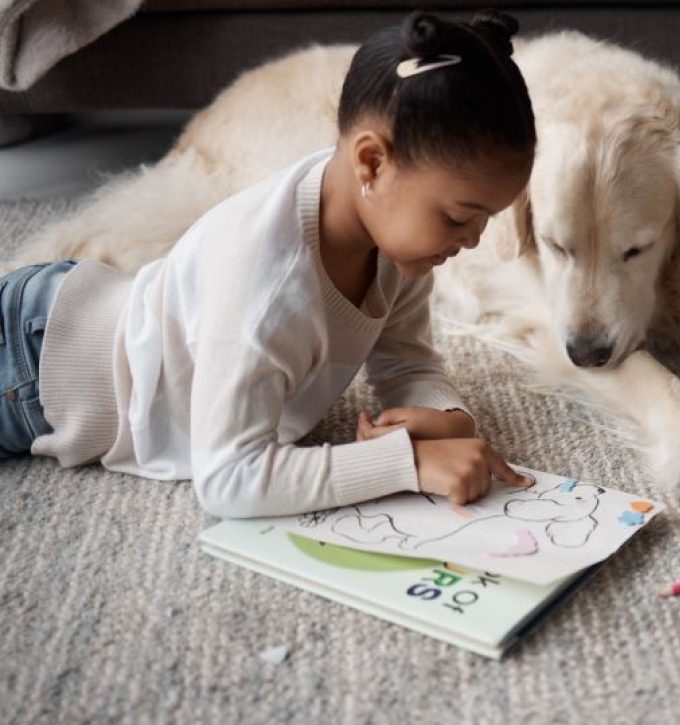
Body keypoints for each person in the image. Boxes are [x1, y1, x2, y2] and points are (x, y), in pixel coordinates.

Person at [0, 10, 536, 517]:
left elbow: (407, 361)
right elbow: (229, 479)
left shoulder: (395, 241)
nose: (473, 239)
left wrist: (447, 419)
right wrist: (406, 464)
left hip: (75, 311)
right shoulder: (267, 285)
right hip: (31, 365)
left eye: (486, 217)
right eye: (460, 216)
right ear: (372, 162)